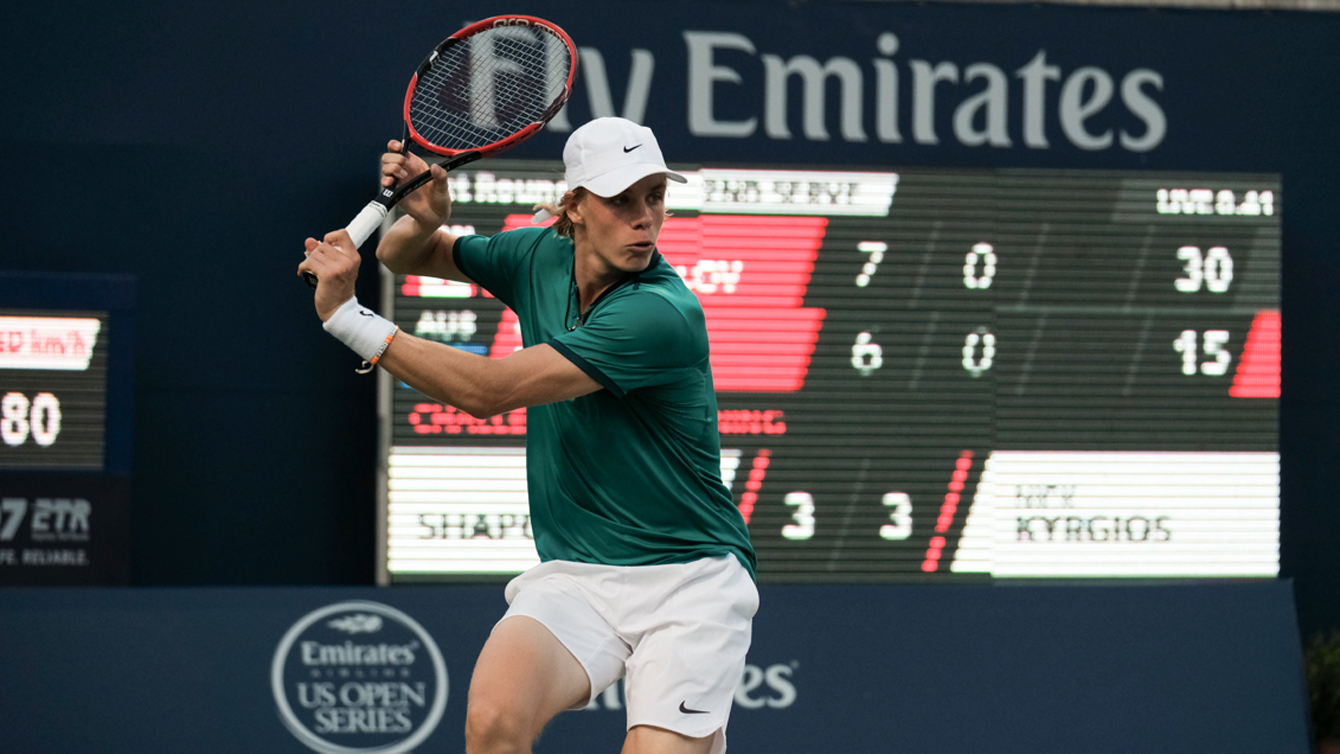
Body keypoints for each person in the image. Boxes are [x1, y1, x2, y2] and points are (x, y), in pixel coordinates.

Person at [298, 117, 757, 754]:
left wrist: (349, 318)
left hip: (688, 582)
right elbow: (400, 254)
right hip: (577, 575)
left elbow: (488, 391)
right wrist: (424, 219)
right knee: (493, 724)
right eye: (620, 199)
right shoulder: (539, 254)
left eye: (654, 196)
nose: (643, 218)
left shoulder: (661, 313)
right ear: (574, 207)